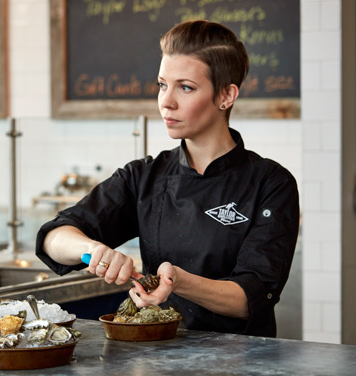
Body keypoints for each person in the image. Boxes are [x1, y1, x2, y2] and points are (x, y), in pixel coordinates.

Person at [35, 20, 300, 337]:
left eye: (185, 87)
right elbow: (54, 237)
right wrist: (92, 250)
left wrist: (178, 280)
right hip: (157, 354)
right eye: (162, 85)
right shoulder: (145, 176)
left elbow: (250, 297)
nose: (166, 101)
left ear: (226, 95)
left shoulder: (270, 183)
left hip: (242, 360)